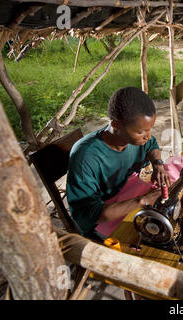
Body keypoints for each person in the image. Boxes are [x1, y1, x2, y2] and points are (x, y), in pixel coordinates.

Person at [66, 87, 171, 239]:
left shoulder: (134, 139)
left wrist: (158, 165)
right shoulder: (85, 157)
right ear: (116, 125)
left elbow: (152, 145)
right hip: (100, 221)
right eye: (141, 132)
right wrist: (142, 200)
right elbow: (87, 215)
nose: (147, 136)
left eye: (150, 129)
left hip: (126, 194)